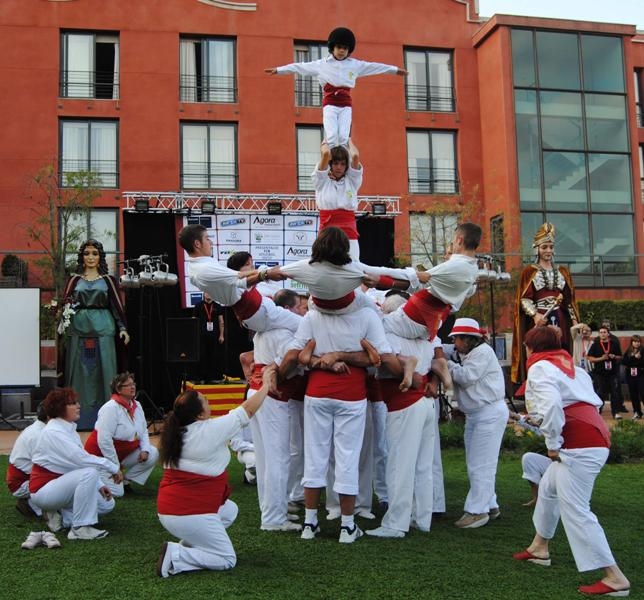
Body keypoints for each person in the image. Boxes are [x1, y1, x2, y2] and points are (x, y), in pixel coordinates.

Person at [513, 326, 630, 597]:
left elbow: (553, 407)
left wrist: (553, 445)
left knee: (576, 510)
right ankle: (539, 547)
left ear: (531, 348)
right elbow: (572, 405)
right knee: (548, 488)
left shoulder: (541, 368)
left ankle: (615, 577)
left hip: (578, 444)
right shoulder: (572, 368)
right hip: (591, 436)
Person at [155, 368, 275, 578]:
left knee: (229, 510)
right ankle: (177, 555)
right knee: (227, 559)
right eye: (206, 401)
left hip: (171, 511)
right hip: (186, 513)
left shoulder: (177, 433)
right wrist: (266, 385)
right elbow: (246, 410)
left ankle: (188, 545)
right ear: (199, 413)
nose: (209, 404)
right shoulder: (208, 431)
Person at [366, 293, 436, 539]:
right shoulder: (426, 334)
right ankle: (422, 517)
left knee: (399, 465)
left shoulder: (389, 331)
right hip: (424, 403)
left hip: (404, 401)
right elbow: (438, 359)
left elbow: (387, 362)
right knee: (422, 465)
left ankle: (396, 523)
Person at [265, 27, 406, 148]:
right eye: (339, 47)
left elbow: (375, 66)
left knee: (344, 137)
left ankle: (344, 166)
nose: (342, 51)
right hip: (330, 104)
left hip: (346, 105)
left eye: (345, 48)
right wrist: (278, 70)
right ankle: (328, 163)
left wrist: (395, 70)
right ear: (333, 47)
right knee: (332, 136)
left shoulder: (355, 65)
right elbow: (298, 67)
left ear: (348, 50)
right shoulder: (321, 65)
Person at [30, 387, 121, 540]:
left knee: (107, 505)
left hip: (60, 485)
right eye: (72, 403)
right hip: (43, 490)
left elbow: (80, 460)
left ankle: (64, 517)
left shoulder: (68, 429)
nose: (78, 406)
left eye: (77, 402)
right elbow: (80, 459)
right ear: (59, 408)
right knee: (89, 473)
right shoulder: (54, 431)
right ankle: (79, 528)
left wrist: (99, 485)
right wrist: (112, 467)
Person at [178, 224, 300, 335]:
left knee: (284, 338)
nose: (211, 242)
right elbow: (240, 277)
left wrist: (265, 274)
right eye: (207, 238)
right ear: (197, 244)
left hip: (253, 312)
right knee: (305, 326)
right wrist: (266, 274)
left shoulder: (196, 267)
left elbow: (240, 280)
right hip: (258, 310)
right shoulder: (204, 269)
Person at [61, 239, 130, 430]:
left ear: (100, 257)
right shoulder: (74, 280)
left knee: (106, 371)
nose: (90, 257)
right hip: (78, 329)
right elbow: (66, 305)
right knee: (78, 372)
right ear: (81, 257)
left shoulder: (108, 281)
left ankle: (108, 420)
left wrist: (122, 328)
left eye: (94, 253)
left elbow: (116, 306)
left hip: (104, 330)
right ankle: (77, 418)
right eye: (87, 253)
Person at [446, 318, 508, 529]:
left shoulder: (482, 353)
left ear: (468, 339)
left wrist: (446, 365)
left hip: (487, 413)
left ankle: (477, 511)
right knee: (478, 463)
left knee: (481, 464)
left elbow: (466, 377)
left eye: (457, 339)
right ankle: (490, 504)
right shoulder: (474, 352)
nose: (455, 344)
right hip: (478, 414)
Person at [512, 223, 580, 388]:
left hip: (560, 319)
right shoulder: (529, 272)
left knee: (561, 350)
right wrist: (535, 315)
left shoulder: (563, 272)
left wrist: (575, 322)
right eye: (544, 247)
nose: (548, 250)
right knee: (540, 351)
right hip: (540, 319)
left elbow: (569, 301)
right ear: (537, 249)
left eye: (550, 247)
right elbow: (524, 299)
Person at [84, 372, 159, 495]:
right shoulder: (110, 408)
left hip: (122, 455)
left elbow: (144, 430)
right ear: (118, 389)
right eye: (128, 385)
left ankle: (126, 479)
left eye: (133, 384)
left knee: (153, 452)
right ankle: (96, 477)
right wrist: (115, 467)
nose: (133, 387)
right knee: (117, 493)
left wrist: (145, 449)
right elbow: (104, 441)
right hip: (101, 457)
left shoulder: (137, 405)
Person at [6, 402, 47, 518]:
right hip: (21, 483)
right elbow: (45, 468)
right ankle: (31, 504)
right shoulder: (38, 435)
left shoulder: (38, 429)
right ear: (50, 416)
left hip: (24, 479)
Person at [587, 327, 624, 419]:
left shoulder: (614, 344)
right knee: (600, 393)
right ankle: (598, 412)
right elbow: (590, 359)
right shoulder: (595, 345)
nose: (602, 334)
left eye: (604, 332)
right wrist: (601, 358)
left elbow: (620, 357)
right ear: (599, 334)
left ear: (608, 334)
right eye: (600, 332)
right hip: (600, 373)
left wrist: (614, 356)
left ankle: (615, 412)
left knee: (615, 393)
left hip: (613, 373)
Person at [192, 292, 225, 383]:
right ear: (203, 294)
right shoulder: (198, 306)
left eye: (210, 292)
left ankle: (209, 379)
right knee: (201, 356)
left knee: (212, 357)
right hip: (201, 336)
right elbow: (193, 321)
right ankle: (199, 377)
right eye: (206, 292)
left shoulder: (217, 306)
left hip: (214, 336)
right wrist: (194, 335)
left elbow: (221, 321)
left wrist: (221, 335)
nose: (208, 294)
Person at [621, 334, 643, 420]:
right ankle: (637, 412)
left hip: (641, 374)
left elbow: (641, 362)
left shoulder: (643, 350)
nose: (637, 343)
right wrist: (634, 357)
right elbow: (624, 362)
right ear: (632, 342)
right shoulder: (629, 351)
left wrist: (635, 360)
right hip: (630, 375)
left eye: (638, 342)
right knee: (633, 395)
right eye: (635, 342)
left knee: (642, 393)